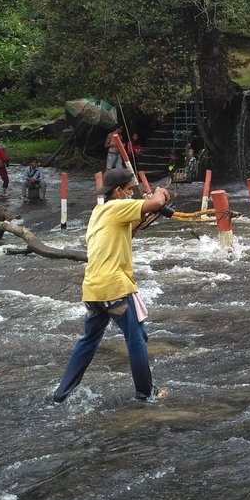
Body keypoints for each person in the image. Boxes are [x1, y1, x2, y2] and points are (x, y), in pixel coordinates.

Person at [53, 168, 170, 403]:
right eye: (128, 190)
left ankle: (61, 394)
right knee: (137, 337)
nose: (130, 195)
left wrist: (145, 212)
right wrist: (159, 192)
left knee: (88, 340)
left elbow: (131, 227)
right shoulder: (118, 207)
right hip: (114, 287)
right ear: (117, 191)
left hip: (93, 289)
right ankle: (145, 393)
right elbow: (156, 202)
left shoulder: (99, 212)